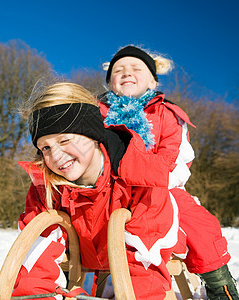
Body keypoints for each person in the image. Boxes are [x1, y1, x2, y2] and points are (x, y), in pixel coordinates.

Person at [12, 82, 186, 299]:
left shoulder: (140, 177)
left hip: (139, 260)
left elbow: (146, 258)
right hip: (85, 255)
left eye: (64, 140)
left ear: (92, 133)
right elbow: (37, 257)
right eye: (45, 147)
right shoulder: (46, 187)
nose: (55, 157)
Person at [99, 45, 239, 300]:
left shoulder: (166, 114)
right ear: (110, 82)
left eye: (135, 68)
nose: (126, 73)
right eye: (118, 70)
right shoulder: (97, 115)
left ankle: (221, 286)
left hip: (161, 188)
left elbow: (173, 159)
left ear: (152, 80)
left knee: (200, 225)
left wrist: (144, 175)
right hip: (110, 190)